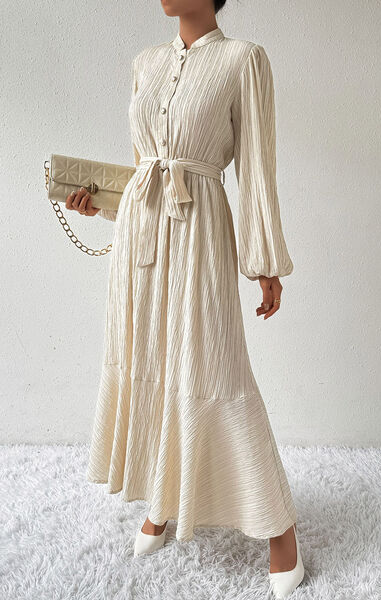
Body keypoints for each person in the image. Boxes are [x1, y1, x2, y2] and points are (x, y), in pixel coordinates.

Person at [66, 1, 304, 597]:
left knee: (216, 370)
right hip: (141, 238)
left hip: (201, 229)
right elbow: (145, 169)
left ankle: (280, 528)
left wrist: (265, 261)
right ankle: (162, 500)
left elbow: (256, 169)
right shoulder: (145, 63)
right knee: (149, 362)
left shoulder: (243, 60)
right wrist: (102, 204)